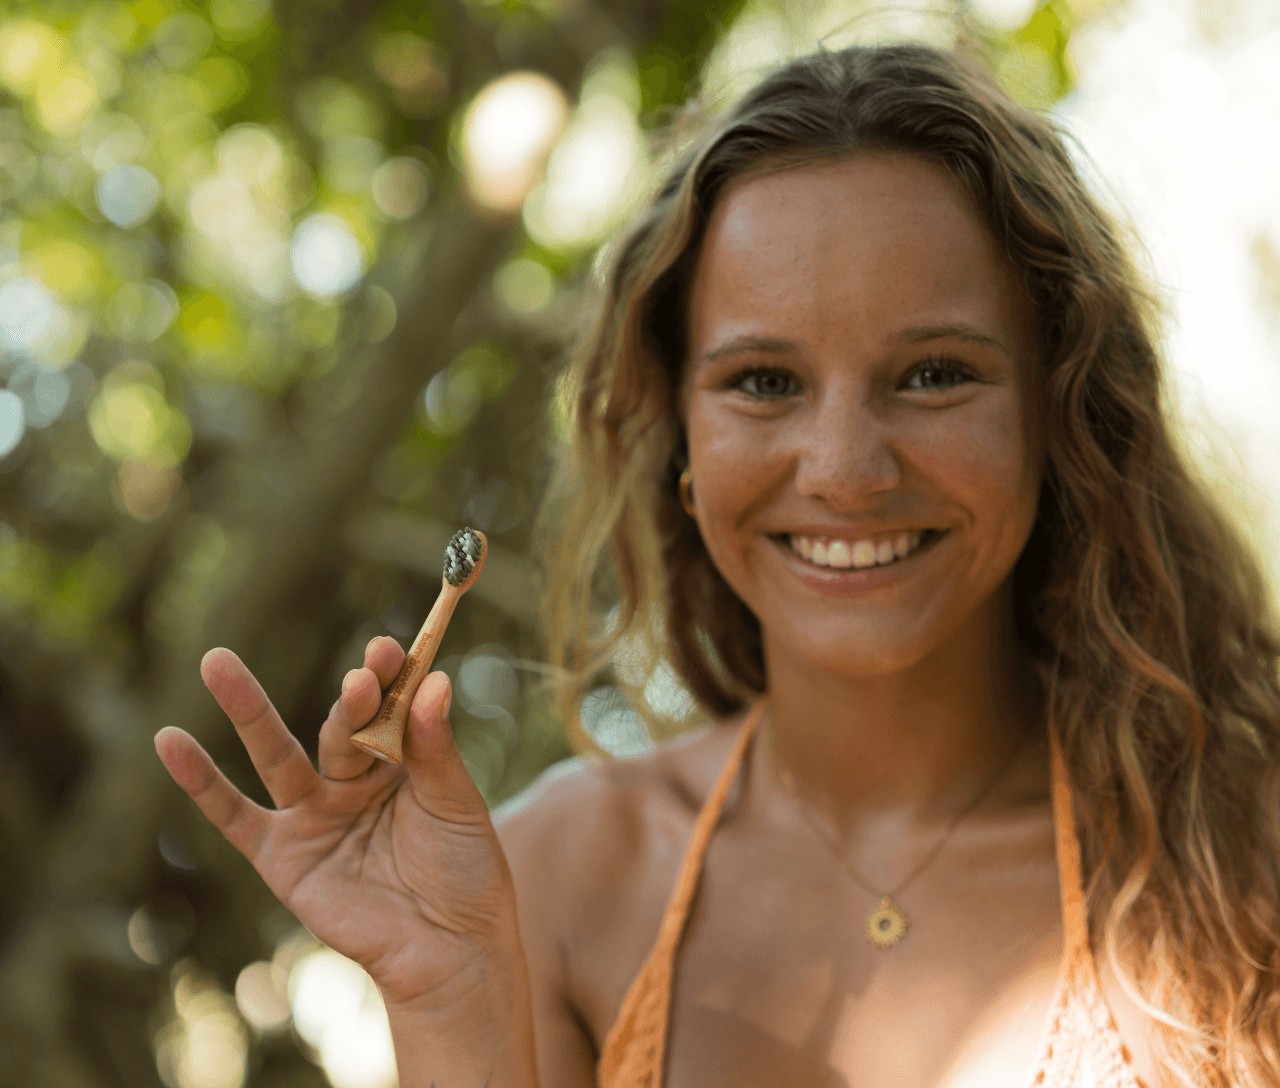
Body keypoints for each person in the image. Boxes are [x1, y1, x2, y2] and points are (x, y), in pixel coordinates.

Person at [154, 42, 1280, 1088]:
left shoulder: (1243, 838)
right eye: (763, 381)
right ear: (678, 446)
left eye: (934, 373)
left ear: (1059, 412)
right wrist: (451, 1001)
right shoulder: (550, 876)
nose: (843, 469)